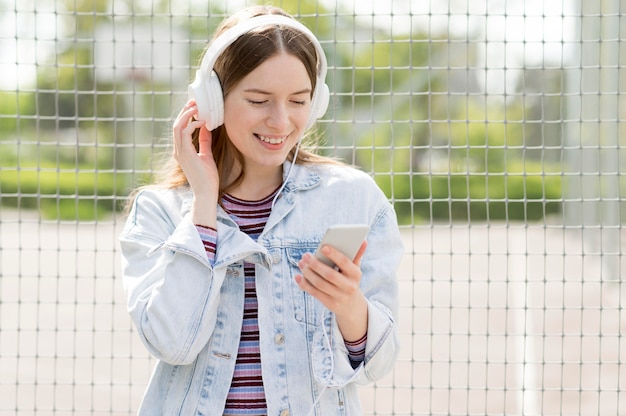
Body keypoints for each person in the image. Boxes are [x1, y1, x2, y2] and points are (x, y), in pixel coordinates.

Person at [119, 5, 403, 415]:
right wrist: (203, 207)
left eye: (298, 100)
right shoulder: (159, 212)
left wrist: (349, 307)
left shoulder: (353, 199)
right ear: (212, 101)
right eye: (258, 100)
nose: (280, 121)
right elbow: (173, 343)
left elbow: (379, 363)